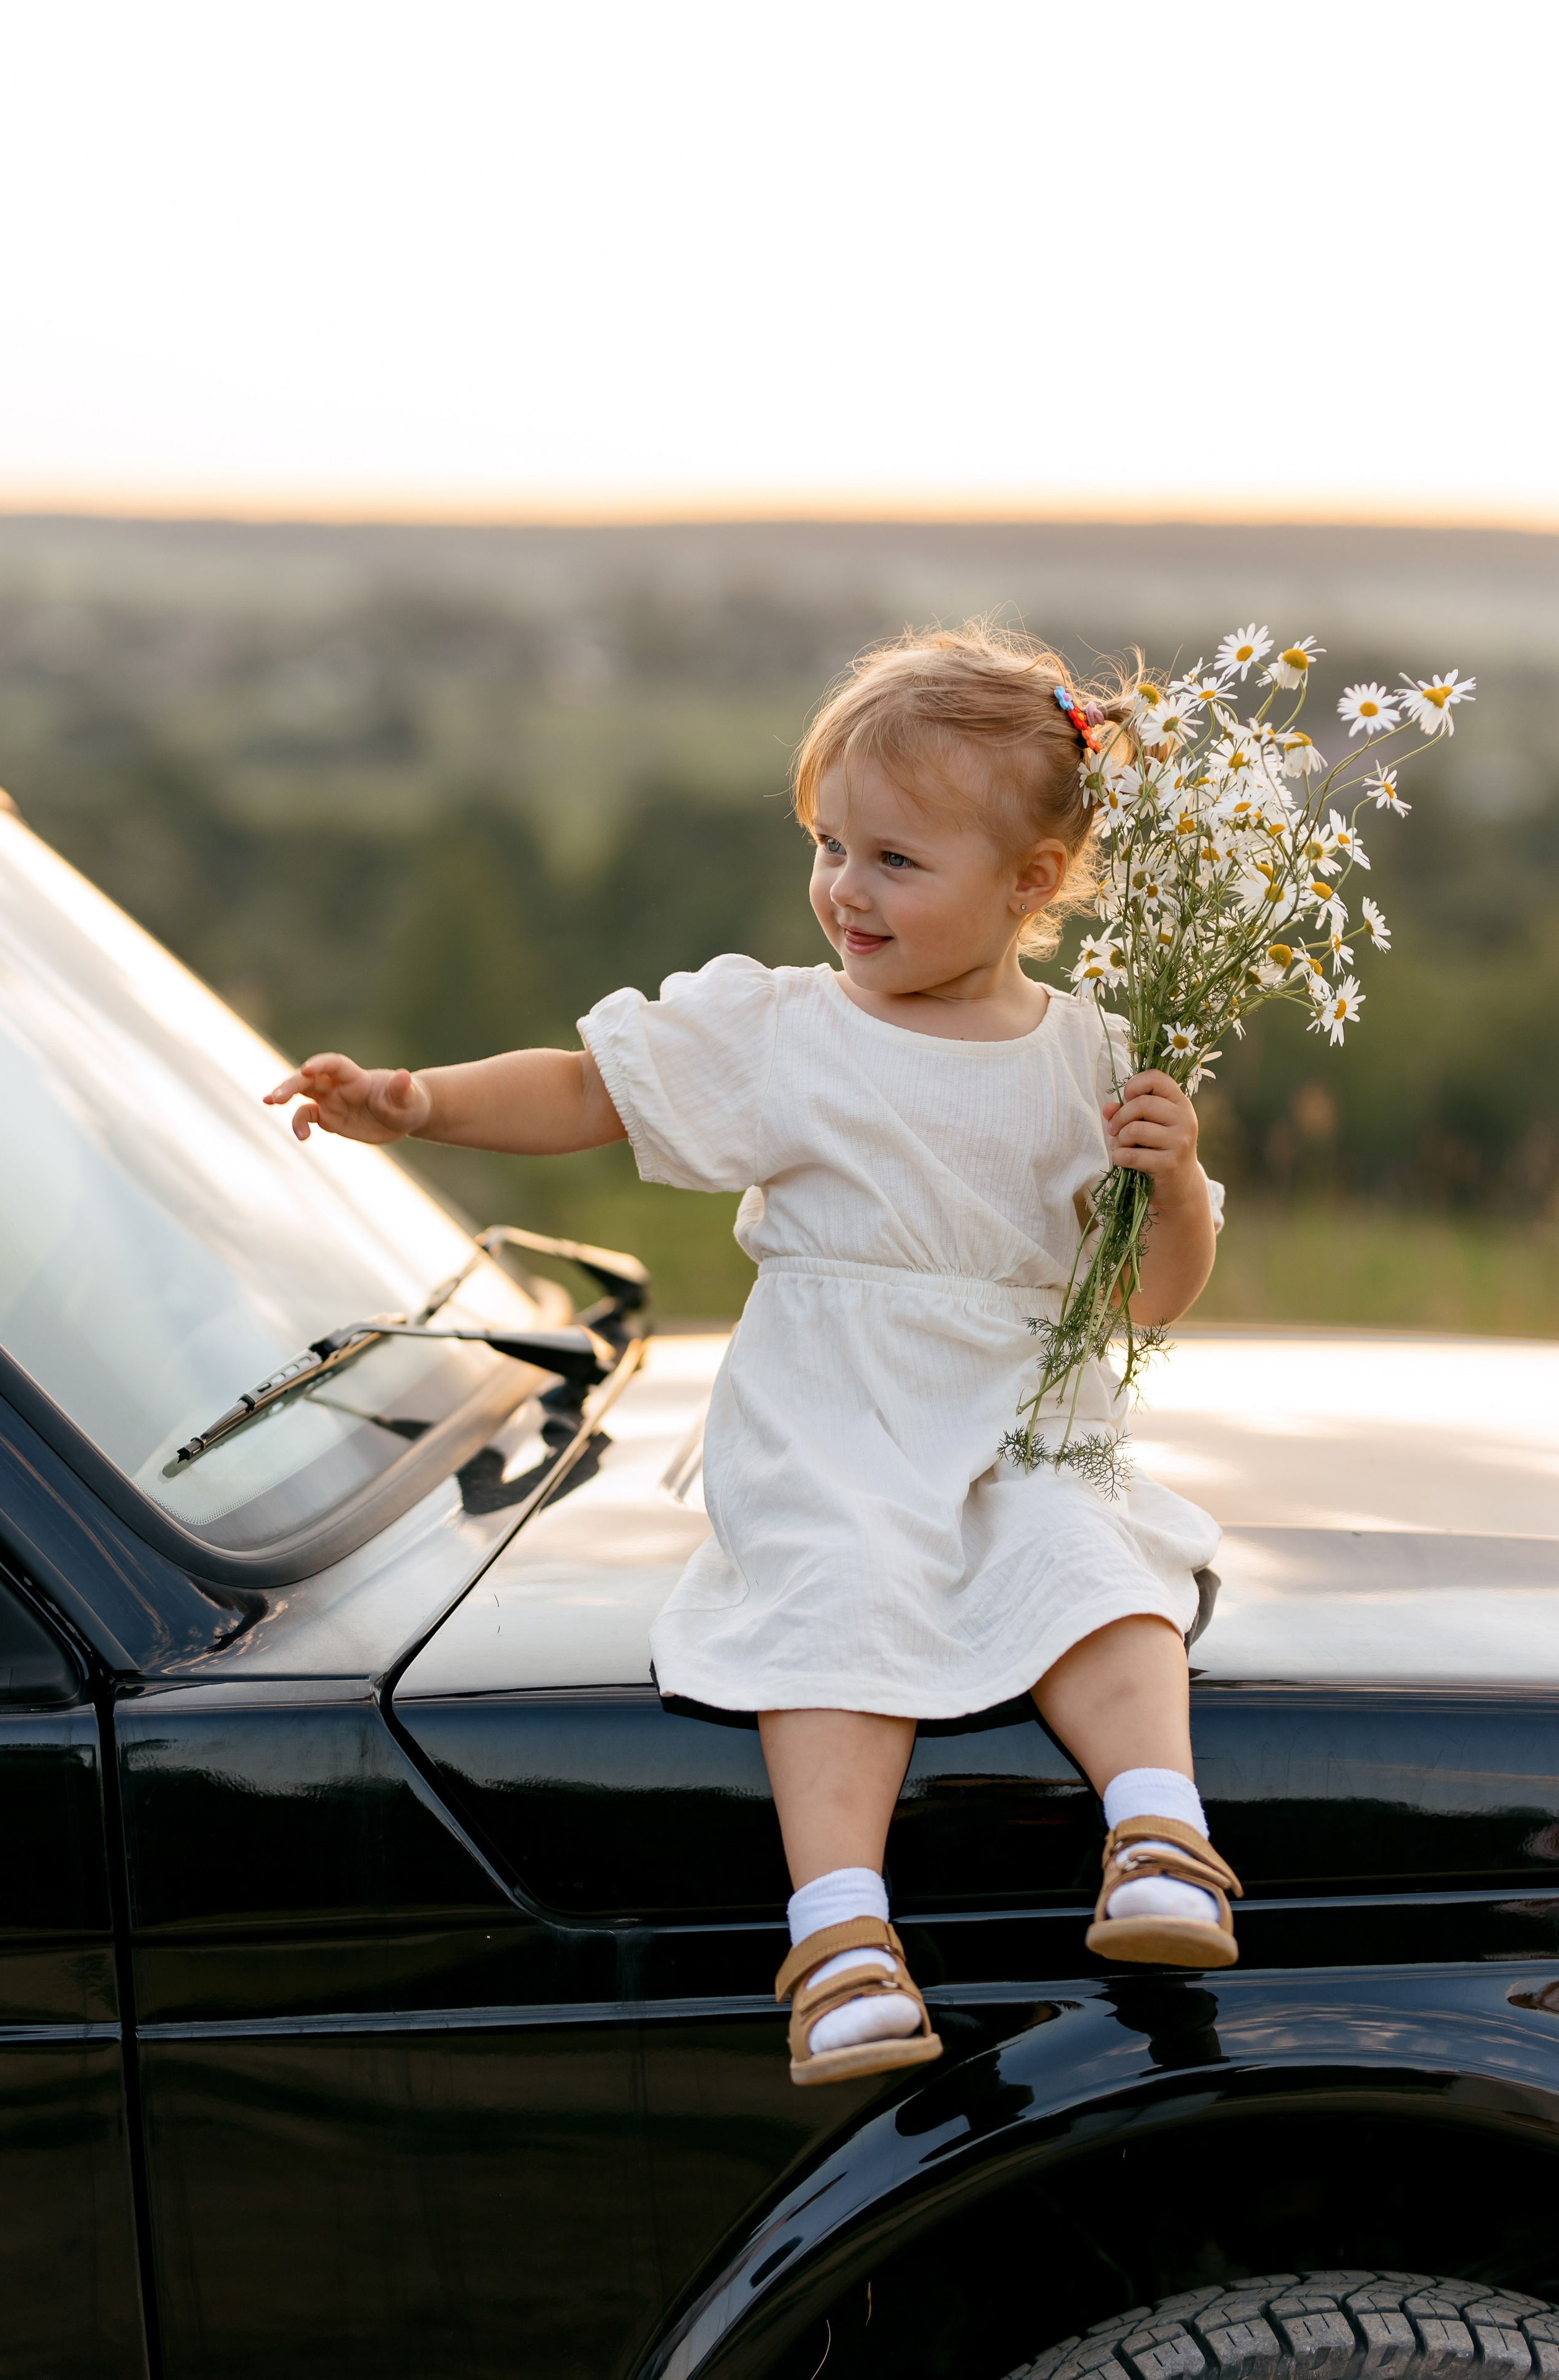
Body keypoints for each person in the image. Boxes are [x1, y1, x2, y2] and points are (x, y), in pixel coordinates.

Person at [264, 625, 1240, 2089]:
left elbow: (1145, 1303)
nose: (845, 889)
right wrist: (415, 1099)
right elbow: (587, 1088)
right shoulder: (782, 1032)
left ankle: (1157, 1836)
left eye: (894, 861)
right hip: (834, 1409)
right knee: (830, 1588)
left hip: (1014, 1405)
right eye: (830, 844)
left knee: (1087, 1557)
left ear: (1029, 885)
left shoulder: (1091, 1058)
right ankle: (842, 1940)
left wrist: (1168, 1187)